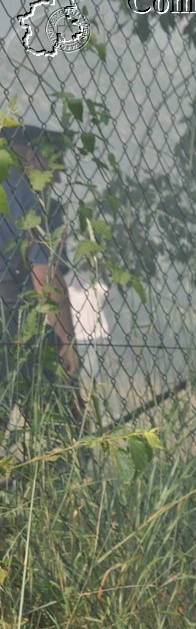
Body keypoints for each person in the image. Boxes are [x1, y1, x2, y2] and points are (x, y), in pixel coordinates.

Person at [1, 124, 79, 437]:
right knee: (61, 428)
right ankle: (64, 466)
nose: (58, 178)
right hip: (10, 322)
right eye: (55, 165)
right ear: (33, 156)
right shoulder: (37, 201)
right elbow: (45, 276)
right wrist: (66, 342)